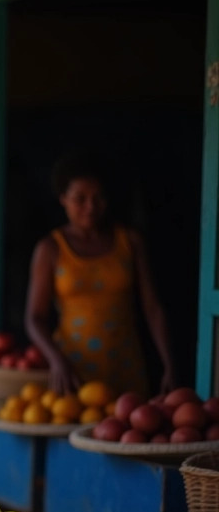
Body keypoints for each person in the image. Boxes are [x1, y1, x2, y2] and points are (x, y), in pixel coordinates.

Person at [25, 155, 175, 397]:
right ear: (63, 198)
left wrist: (169, 365)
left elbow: (153, 308)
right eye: (80, 199)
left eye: (99, 197)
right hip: (72, 371)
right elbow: (35, 318)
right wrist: (56, 361)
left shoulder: (130, 242)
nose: (91, 207)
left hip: (126, 365)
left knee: (128, 427)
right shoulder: (51, 248)